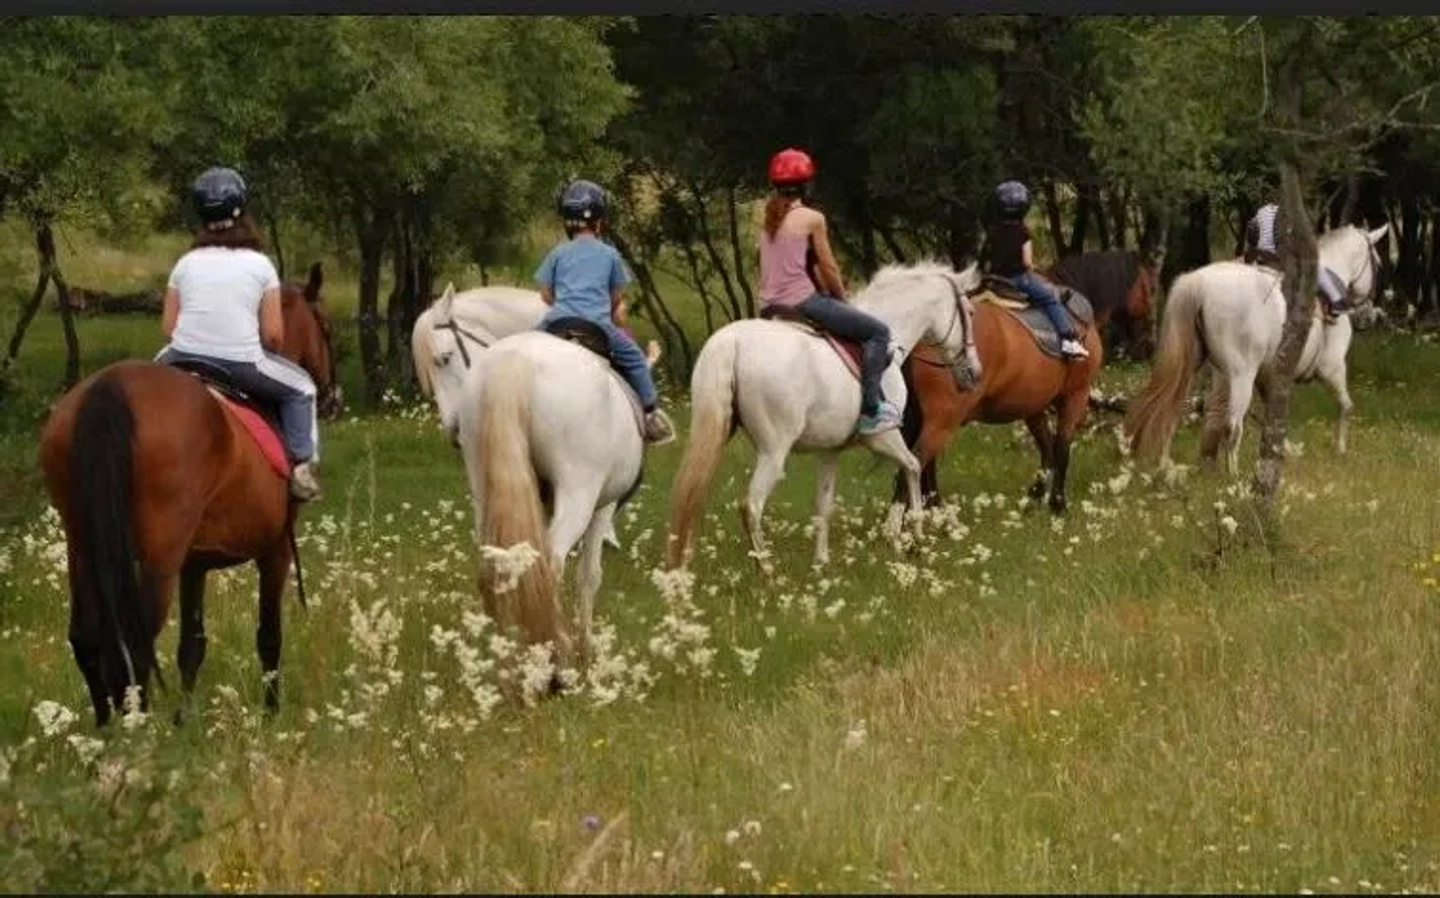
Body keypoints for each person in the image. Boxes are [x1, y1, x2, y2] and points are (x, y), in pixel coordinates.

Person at [155, 167, 322, 501]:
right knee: (303, 387)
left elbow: (168, 328)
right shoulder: (260, 265)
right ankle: (301, 470)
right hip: (238, 363)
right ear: (241, 210)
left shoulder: (185, 263)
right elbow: (273, 336)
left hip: (179, 357)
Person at [757, 147, 902, 435]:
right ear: (806, 184)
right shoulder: (812, 218)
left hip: (768, 306)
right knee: (878, 333)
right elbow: (829, 267)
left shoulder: (767, 219)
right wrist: (841, 299)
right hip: (802, 301)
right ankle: (871, 410)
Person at [534, 179, 675, 444]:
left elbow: (544, 294)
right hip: (597, 326)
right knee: (635, 359)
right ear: (599, 221)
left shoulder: (558, 253)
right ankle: (650, 414)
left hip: (557, 322)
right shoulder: (610, 255)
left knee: (523, 347)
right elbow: (616, 297)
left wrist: (563, 304)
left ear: (568, 222)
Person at [982, 180, 1089, 360]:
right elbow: (1026, 262)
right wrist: (1035, 267)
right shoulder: (1023, 232)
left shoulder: (993, 231)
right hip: (1019, 279)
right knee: (1050, 298)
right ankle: (1068, 340)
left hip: (995, 280)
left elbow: (987, 259)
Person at [1244, 202, 1348, 321]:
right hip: (1276, 258)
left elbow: (1252, 233)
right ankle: (1336, 302)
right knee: (1318, 269)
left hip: (1258, 255)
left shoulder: (1263, 212)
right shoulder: (1287, 215)